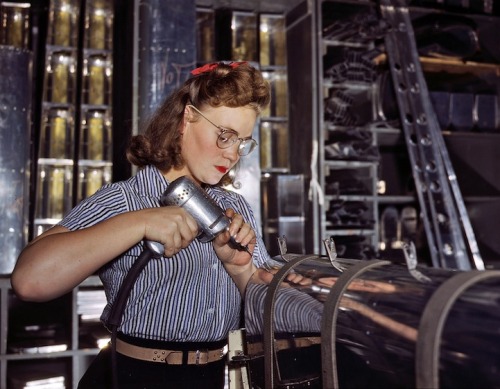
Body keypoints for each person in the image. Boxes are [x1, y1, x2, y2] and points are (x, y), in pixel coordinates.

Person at [11, 61, 276, 389]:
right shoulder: (126, 199)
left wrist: (242, 271)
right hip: (134, 377)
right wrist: (138, 222)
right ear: (187, 118)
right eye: (225, 136)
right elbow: (29, 280)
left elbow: (272, 314)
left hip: (209, 377)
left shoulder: (236, 210)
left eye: (243, 142)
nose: (233, 153)